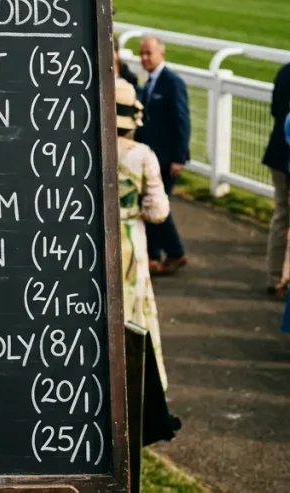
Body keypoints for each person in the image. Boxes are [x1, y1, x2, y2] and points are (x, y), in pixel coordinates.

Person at [115, 78, 171, 388]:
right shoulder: (143, 154)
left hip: (98, 239)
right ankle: (138, 389)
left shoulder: (91, 147)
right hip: (132, 240)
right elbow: (159, 211)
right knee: (134, 315)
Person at [136, 36, 190, 275]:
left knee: (159, 206)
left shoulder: (172, 82)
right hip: (152, 158)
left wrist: (179, 157)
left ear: (162, 53)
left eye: (149, 53)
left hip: (167, 160)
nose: (144, 58)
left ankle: (176, 252)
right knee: (151, 204)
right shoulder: (149, 83)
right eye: (142, 54)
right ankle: (154, 255)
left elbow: (182, 121)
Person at [262, 60, 290, 296]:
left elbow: (275, 110)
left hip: (278, 154)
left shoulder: (283, 71)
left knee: (281, 215)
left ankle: (274, 276)